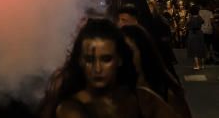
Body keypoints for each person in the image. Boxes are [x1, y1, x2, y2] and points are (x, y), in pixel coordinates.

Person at [43, 17, 175, 118]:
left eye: (106, 59)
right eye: (90, 60)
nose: (97, 68)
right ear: (80, 61)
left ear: (119, 60)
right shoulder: (70, 109)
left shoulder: (142, 99)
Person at [121, 23, 192, 118]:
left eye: (129, 51)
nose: (123, 58)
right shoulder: (117, 92)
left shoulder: (166, 93)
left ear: (143, 51)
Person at [186, 4, 206, 70]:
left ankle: (197, 65)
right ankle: (202, 65)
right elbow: (203, 22)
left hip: (192, 34)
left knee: (194, 49)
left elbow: (187, 24)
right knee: (201, 48)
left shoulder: (190, 18)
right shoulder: (199, 17)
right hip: (199, 33)